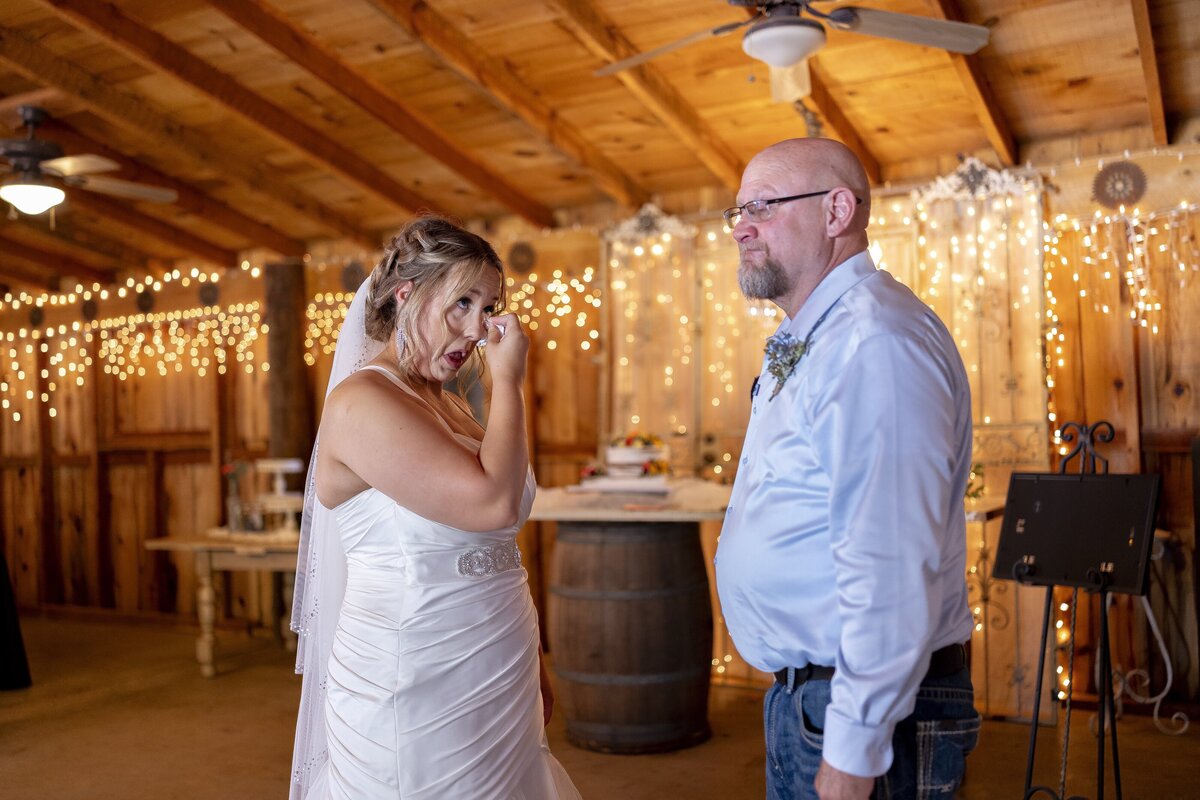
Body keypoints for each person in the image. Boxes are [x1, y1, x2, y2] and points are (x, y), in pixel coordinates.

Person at [714, 139, 979, 800]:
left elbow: (887, 560)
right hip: (812, 700)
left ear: (837, 212)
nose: (741, 225)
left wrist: (854, 749)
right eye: (738, 209)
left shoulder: (873, 342)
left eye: (764, 206)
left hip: (868, 707)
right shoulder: (821, 335)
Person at [289, 216, 580, 799]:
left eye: (489, 306)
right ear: (407, 295)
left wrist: (533, 663)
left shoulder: (448, 406)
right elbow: (495, 504)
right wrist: (508, 382)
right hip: (414, 677)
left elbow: (495, 547)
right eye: (462, 303)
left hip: (496, 657)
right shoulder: (362, 403)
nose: (478, 328)